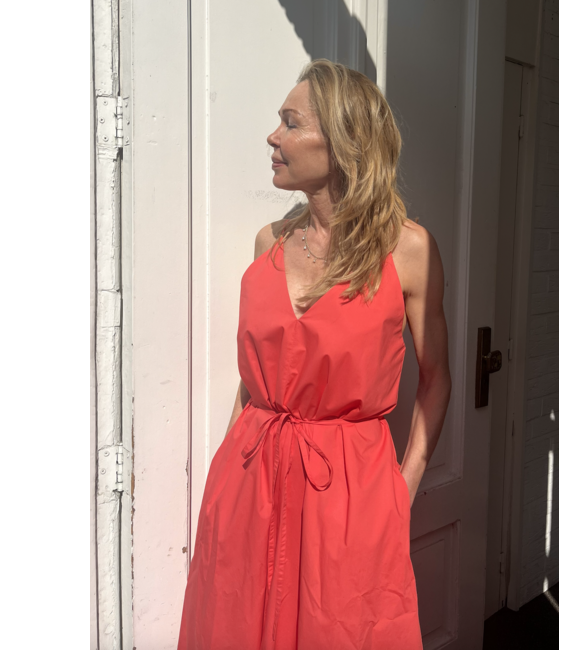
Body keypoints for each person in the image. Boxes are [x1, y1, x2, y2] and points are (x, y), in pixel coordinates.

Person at [178, 59, 451, 650]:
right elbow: (255, 382)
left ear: (344, 140)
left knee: (344, 629)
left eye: (290, 122)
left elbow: (436, 379)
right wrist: (226, 473)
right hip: (249, 481)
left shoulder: (407, 250)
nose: (272, 137)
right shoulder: (269, 242)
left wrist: (402, 488)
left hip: (348, 493)